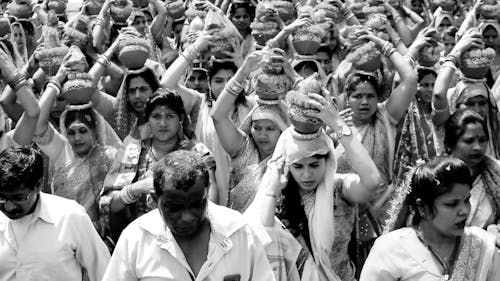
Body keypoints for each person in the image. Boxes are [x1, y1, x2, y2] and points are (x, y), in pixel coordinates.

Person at [246, 91, 382, 281]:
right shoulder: (277, 192)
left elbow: (373, 181)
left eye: (315, 165)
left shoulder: (340, 189)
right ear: (288, 165)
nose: (307, 175)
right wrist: (272, 193)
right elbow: (261, 239)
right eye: (298, 166)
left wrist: (337, 123)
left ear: (329, 161)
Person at [102, 150, 276, 281]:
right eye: (175, 207)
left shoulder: (239, 231)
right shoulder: (135, 239)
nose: (187, 217)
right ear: (154, 200)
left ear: (207, 192)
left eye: (196, 204)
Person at [360, 156, 500, 281]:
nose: (464, 211)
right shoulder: (390, 251)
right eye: (452, 204)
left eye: (467, 200)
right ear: (423, 208)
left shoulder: (482, 245)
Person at [100, 89, 212, 242]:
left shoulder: (197, 152)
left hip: (188, 236)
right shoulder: (132, 151)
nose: (163, 123)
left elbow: (211, 199)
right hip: (142, 240)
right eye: (156, 116)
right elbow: (109, 205)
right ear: (148, 120)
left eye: (170, 116)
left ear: (180, 119)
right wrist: (135, 189)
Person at [0, 147, 110, 281]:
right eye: (2, 198)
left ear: (39, 185)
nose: (9, 207)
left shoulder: (69, 216)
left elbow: (104, 272)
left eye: (19, 198)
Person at [211, 50, 292, 212]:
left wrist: (292, 74)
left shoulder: (292, 156)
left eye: (270, 129)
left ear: (283, 130)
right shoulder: (243, 149)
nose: (262, 135)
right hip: (241, 232)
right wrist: (243, 72)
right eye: (257, 128)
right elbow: (218, 116)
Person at [432, 28, 500, 159]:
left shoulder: (493, 126)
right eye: (470, 103)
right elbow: (439, 95)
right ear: (455, 103)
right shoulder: (447, 126)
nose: (477, 110)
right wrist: (457, 51)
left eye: (482, 103)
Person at [444, 109, 500, 229]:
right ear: (450, 145)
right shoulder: (436, 176)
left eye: (482, 140)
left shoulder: (496, 172)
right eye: (469, 141)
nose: (477, 147)